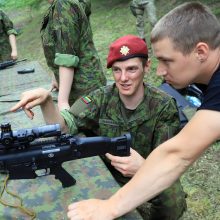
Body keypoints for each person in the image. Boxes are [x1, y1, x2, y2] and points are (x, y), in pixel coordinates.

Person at [62, 2, 220, 220]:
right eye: (117, 70)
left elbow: (177, 155)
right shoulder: (205, 83)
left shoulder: (167, 103)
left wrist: (109, 208)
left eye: (166, 60)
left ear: (201, 51)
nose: (160, 71)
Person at [11, 35, 187, 220]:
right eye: (117, 70)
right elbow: (65, 126)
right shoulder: (101, 98)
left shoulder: (163, 106)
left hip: (146, 175)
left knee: (173, 199)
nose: (123, 78)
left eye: (132, 69)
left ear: (147, 66)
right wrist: (47, 102)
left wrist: (143, 168)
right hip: (109, 175)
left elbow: (168, 160)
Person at [40, 0, 106, 111]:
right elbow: (62, 45)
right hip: (83, 84)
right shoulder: (65, 3)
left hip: (83, 90)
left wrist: (62, 103)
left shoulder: (63, 4)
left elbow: (67, 56)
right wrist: (56, 77)